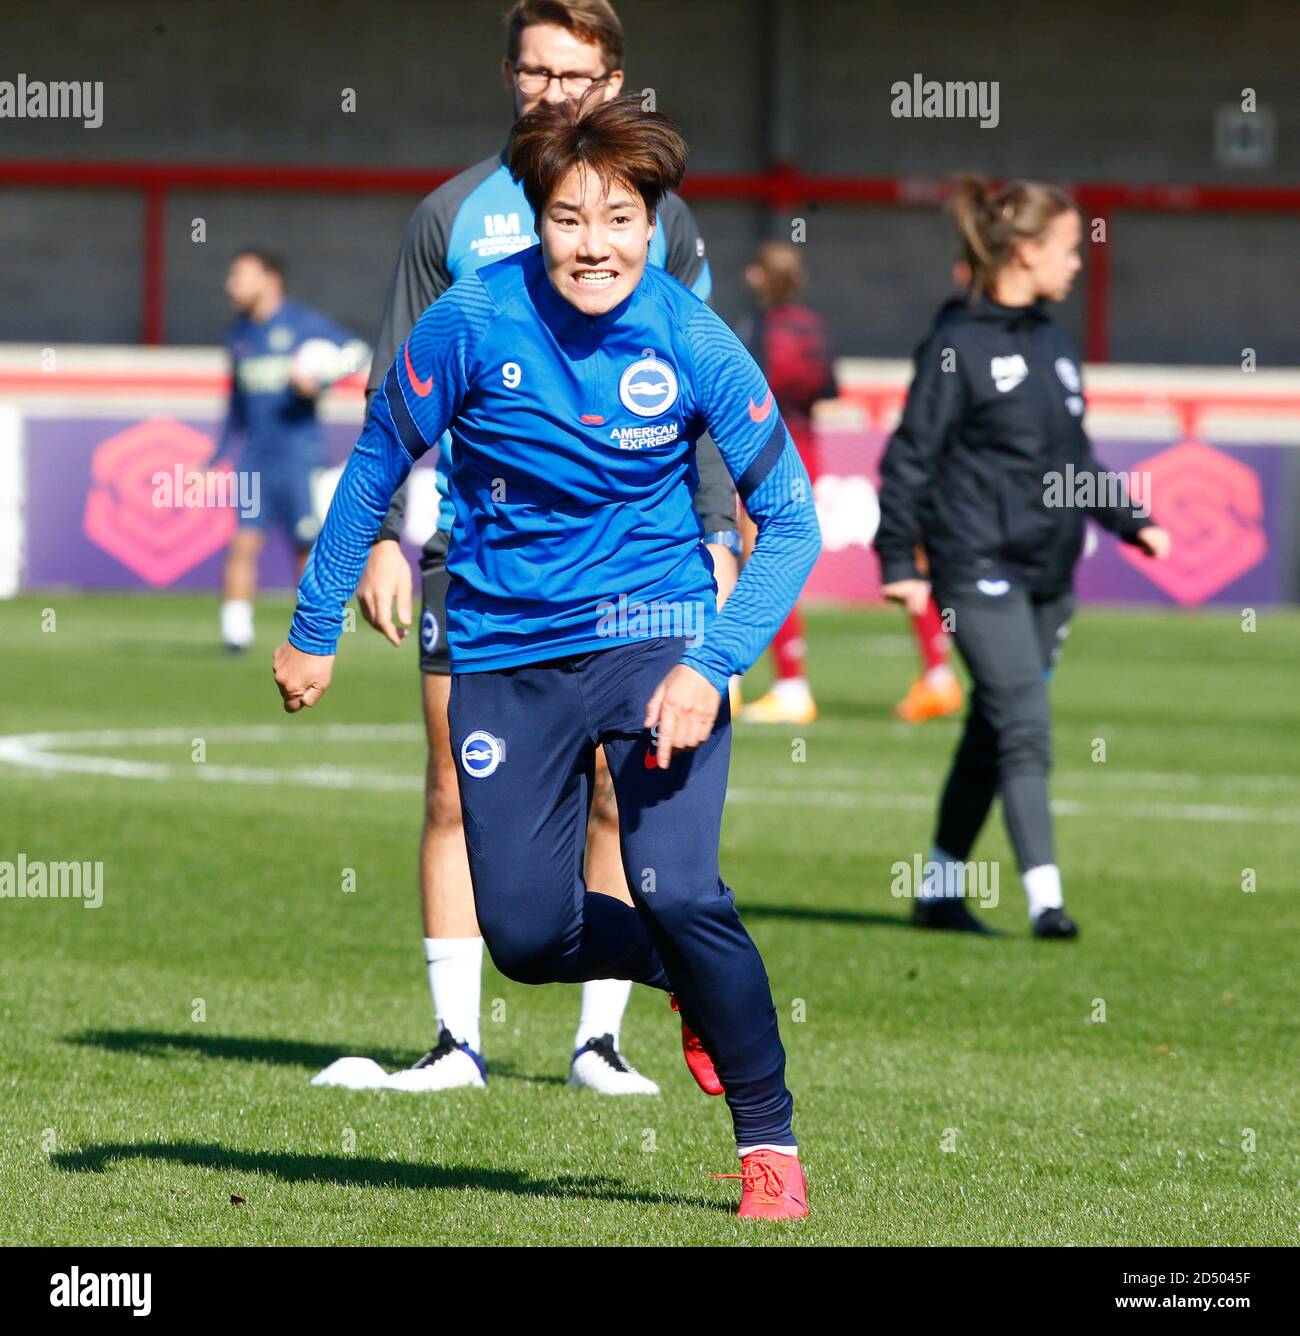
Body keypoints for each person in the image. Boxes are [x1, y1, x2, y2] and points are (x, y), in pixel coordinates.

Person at [274, 94, 820, 1218]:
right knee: (525, 935)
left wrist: (710, 663)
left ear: (654, 225)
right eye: (569, 218)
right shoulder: (471, 320)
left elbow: (794, 518)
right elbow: (377, 460)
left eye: (619, 218)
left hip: (655, 643)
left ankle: (768, 1143)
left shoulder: (693, 336)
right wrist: (315, 619)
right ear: (534, 219)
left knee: (677, 884)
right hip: (504, 656)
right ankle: (688, 978)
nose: (595, 244)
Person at [351, 0, 740, 1094]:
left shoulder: (666, 223)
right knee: (450, 785)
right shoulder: (449, 216)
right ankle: (453, 1044)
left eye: (574, 74)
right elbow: (397, 393)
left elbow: (705, 395)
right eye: (533, 72)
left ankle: (599, 1040)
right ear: (511, 78)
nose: (553, 92)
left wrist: (717, 532)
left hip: (631, 569)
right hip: (473, 559)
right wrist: (382, 536)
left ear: (613, 83)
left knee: (621, 793)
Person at [875, 174, 1170, 939]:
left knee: (994, 725)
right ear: (1027, 250)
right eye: (1071, 249)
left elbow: (1071, 455)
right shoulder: (954, 344)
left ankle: (939, 890)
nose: (1080, 263)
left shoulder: (1048, 339)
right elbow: (910, 457)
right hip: (975, 564)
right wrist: (898, 563)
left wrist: (1127, 518)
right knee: (1026, 725)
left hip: (1049, 570)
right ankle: (1047, 901)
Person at [218, 248, 369, 651]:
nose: (231, 285)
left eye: (240, 276)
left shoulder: (303, 324)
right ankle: (236, 635)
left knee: (305, 546)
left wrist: (323, 378)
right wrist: (217, 456)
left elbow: (358, 351)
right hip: (254, 461)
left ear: (269, 280)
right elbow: (234, 405)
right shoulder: (240, 335)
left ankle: (311, 633)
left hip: (299, 458)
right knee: (243, 542)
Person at [733, 241, 837, 725]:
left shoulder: (756, 327)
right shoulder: (814, 325)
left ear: (761, 276)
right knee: (779, 555)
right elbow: (829, 389)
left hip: (765, 451)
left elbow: (742, 393)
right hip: (808, 449)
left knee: (760, 564)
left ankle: (789, 684)